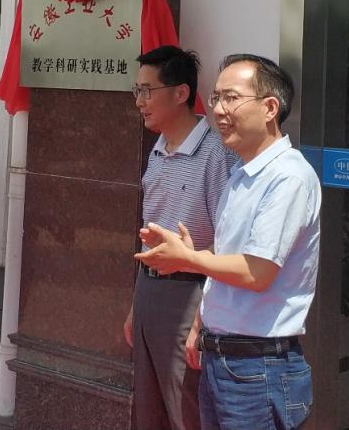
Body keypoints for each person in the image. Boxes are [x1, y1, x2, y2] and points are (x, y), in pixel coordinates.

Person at [136, 54, 321, 430]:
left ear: (270, 108)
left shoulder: (288, 177)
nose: (219, 109)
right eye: (217, 97)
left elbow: (257, 271)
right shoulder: (241, 173)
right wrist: (200, 321)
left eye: (232, 98)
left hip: (259, 366)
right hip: (223, 357)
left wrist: (188, 259)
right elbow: (227, 258)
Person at [125, 46, 232, 430]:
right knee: (149, 411)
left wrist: (202, 318)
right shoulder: (157, 150)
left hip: (191, 294)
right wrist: (137, 305)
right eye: (137, 91)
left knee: (186, 410)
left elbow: (230, 240)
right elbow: (150, 238)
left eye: (147, 91)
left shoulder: (216, 153)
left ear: (181, 93)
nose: (140, 102)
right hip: (150, 293)